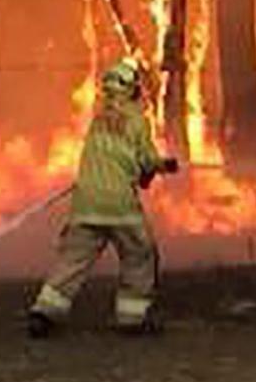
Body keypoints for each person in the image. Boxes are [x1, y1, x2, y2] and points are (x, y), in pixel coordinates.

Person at [27, 58, 179, 338]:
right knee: (140, 253)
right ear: (132, 90)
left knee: (72, 260)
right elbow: (145, 160)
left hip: (85, 203)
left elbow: (111, 157)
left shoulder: (98, 120)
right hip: (119, 204)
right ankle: (132, 318)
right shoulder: (136, 120)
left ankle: (44, 313)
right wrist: (164, 165)